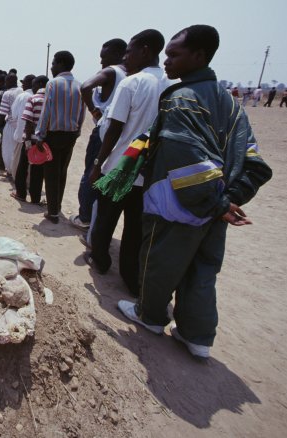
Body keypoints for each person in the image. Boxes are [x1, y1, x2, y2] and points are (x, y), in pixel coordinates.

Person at [116, 25, 272, 359]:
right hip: (217, 204)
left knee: (159, 262)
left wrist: (214, 203)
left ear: (199, 56)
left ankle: (150, 316)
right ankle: (197, 336)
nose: (167, 61)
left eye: (174, 54)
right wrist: (229, 199)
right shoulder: (228, 102)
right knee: (203, 271)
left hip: (180, 204)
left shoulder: (181, 100)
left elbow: (183, 155)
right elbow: (252, 158)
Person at [85, 29, 174, 295]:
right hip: (148, 171)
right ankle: (130, 276)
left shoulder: (132, 83)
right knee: (135, 228)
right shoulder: (172, 85)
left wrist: (98, 163)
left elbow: (114, 128)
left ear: (145, 51)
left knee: (105, 220)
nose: (126, 57)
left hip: (120, 168)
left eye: (129, 51)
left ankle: (100, 261)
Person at [69, 38, 128, 231]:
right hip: (121, 134)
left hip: (103, 131)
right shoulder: (131, 75)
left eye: (104, 57)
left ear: (119, 54)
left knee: (92, 172)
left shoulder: (111, 72)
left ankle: (85, 217)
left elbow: (85, 87)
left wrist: (94, 111)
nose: (101, 62)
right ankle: (94, 218)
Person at [34, 51, 85, 223]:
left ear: (62, 63)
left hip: (53, 135)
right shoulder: (80, 85)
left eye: (54, 63)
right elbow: (81, 112)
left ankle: (53, 212)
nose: (51, 66)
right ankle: (58, 205)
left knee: (51, 173)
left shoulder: (53, 84)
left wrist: (40, 135)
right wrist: (77, 131)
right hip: (71, 135)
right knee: (62, 172)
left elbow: (46, 112)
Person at [14, 75, 48, 204]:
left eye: (33, 85)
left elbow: (28, 122)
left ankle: (21, 194)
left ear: (39, 84)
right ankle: (35, 198)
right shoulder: (51, 100)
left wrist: (27, 140)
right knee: (38, 171)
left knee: (23, 167)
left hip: (31, 140)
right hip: (43, 142)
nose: (32, 88)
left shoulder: (33, 99)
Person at [8, 74, 36, 180]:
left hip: (22, 134)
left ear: (29, 83)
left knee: (19, 161)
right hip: (36, 137)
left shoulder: (22, 96)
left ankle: (19, 184)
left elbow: (14, 115)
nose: (22, 85)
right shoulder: (40, 96)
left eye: (23, 82)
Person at [0, 74, 23, 174]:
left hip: (11, 125)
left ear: (8, 81)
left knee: (8, 149)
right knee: (18, 151)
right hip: (22, 126)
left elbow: (3, 113)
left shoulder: (7, 93)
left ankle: (10, 171)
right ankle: (18, 171)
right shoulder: (22, 91)